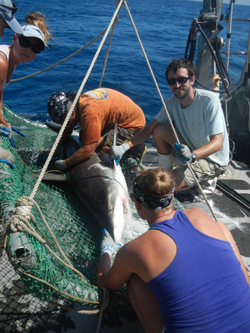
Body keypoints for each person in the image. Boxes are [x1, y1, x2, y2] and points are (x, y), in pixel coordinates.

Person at [97, 168, 250, 333]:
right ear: (172, 197)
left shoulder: (135, 250)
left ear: (137, 205)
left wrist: (106, 251)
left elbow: (104, 282)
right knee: (221, 228)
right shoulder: (199, 214)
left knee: (134, 277)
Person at [111, 58, 229, 191]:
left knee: (160, 188)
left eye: (182, 80)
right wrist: (124, 147)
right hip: (189, 149)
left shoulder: (209, 101)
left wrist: (193, 155)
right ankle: (164, 172)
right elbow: (149, 128)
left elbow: (218, 143)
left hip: (211, 160)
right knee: (159, 130)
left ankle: (203, 177)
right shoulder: (172, 103)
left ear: (192, 80)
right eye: (172, 81)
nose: (177, 85)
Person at [47, 87, 146, 170]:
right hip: (117, 117)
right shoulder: (77, 102)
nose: (66, 125)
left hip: (131, 124)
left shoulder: (90, 112)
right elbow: (67, 129)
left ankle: (129, 155)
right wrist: (57, 146)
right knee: (84, 136)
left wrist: (65, 164)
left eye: (66, 122)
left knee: (94, 145)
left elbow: (89, 151)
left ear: (72, 113)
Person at [0, 11, 51, 169]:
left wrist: (3, 120)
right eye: (24, 41)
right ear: (15, 38)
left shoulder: (11, 61)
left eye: (35, 48)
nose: (28, 50)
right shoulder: (2, 62)